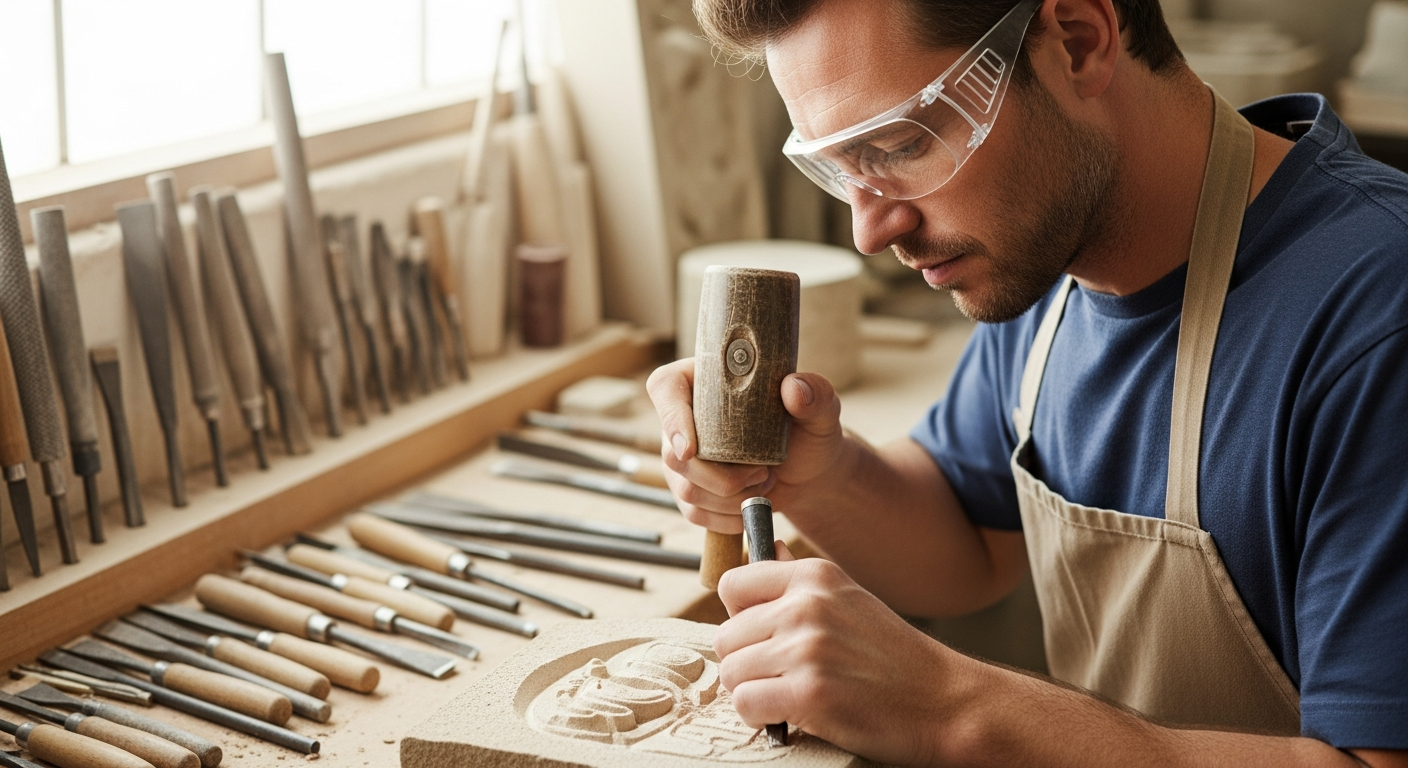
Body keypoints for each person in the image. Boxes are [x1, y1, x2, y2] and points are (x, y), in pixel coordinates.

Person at [645, 0, 1408, 765]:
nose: (870, 232)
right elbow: (971, 539)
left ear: (1076, 41)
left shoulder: (1376, 315)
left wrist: (951, 706)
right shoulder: (1042, 257)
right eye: (842, 170)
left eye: (904, 143)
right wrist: (819, 476)